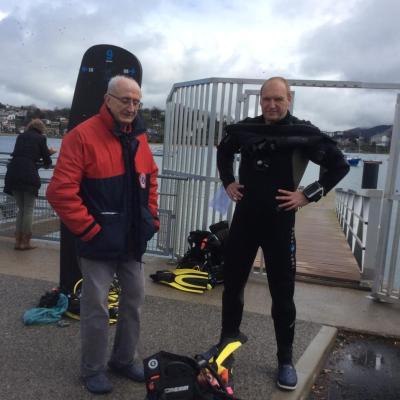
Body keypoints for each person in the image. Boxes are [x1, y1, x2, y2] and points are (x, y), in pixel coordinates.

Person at [216, 77, 349, 391]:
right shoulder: (247, 129)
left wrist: (308, 195)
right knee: (232, 285)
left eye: (278, 99)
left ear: (289, 99)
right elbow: (224, 151)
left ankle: (285, 359)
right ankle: (226, 347)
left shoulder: (303, 134)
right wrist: (228, 182)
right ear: (260, 100)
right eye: (266, 100)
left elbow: (339, 166)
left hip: (279, 225)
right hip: (245, 221)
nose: (272, 105)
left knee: (282, 294)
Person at [46, 75, 159, 394]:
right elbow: (59, 191)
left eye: (136, 101)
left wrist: (152, 218)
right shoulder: (81, 136)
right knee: (96, 306)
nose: (131, 107)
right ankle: (92, 369)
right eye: (125, 100)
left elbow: (151, 178)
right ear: (107, 99)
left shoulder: (140, 138)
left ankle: (123, 360)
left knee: (134, 300)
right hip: (97, 243)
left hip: (132, 240)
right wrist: (90, 230)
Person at [4, 118, 56, 250]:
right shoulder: (41, 138)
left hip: (13, 173)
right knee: (28, 210)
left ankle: (17, 241)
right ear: (41, 128)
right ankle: (25, 242)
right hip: (28, 175)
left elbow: (23, 153)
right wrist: (49, 153)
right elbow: (47, 161)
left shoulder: (21, 136)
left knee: (21, 209)